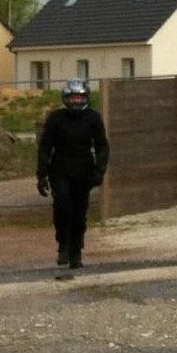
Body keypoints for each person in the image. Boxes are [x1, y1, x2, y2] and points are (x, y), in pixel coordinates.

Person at [37, 79, 109, 270]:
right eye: (72, 98)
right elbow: (45, 147)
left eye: (79, 98)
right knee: (62, 207)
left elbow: (102, 146)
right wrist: (41, 175)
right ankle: (63, 246)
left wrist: (100, 170)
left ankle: (76, 252)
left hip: (84, 170)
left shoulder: (93, 118)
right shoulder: (56, 118)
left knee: (79, 212)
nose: (76, 101)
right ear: (66, 98)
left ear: (85, 98)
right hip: (59, 169)